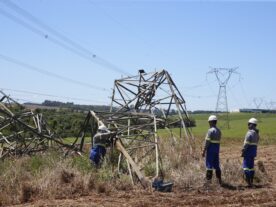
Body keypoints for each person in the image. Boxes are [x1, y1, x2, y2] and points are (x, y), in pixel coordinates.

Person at [202, 115, 222, 185]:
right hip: (216, 150)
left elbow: (207, 142)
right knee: (217, 165)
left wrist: (204, 150)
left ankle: (208, 182)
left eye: (209, 122)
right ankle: (219, 181)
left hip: (210, 150)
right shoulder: (219, 131)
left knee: (209, 166)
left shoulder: (210, 131)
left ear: (210, 122)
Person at [241, 118, 259, 187]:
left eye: (249, 124)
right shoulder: (257, 134)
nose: (248, 125)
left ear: (252, 125)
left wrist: (243, 150)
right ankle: (251, 181)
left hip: (248, 151)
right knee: (251, 167)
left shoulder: (249, 133)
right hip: (253, 152)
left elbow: (246, 144)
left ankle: (249, 183)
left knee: (246, 166)